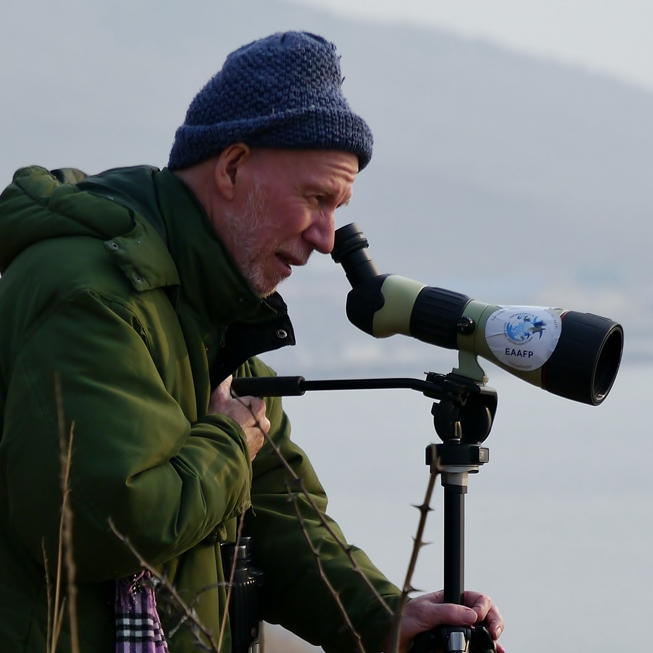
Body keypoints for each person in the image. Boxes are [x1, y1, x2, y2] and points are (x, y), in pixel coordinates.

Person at [0, 31, 505, 653]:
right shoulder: (93, 295)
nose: (327, 237)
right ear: (232, 167)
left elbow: (278, 512)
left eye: (338, 207)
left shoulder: (211, 312)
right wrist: (228, 443)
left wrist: (384, 615)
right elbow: (105, 527)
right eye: (315, 198)